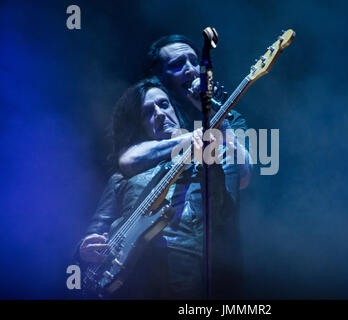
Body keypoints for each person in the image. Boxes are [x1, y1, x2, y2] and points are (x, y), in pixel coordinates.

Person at [78, 35, 252, 299]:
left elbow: (240, 178)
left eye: (194, 61)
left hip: (188, 272)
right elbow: (99, 225)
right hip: (129, 280)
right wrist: (84, 248)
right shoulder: (125, 171)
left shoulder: (215, 140)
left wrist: (214, 119)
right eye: (178, 64)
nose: (191, 69)